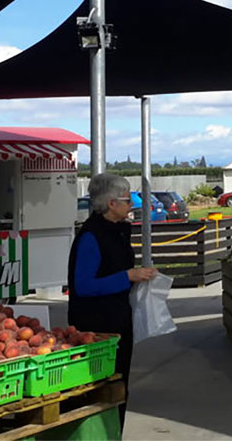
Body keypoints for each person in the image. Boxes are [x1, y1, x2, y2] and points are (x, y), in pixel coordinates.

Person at [68, 173, 158, 428]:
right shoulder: (90, 237)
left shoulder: (117, 231)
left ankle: (114, 431)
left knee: (119, 385)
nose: (132, 206)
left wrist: (138, 276)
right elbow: (83, 286)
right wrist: (128, 276)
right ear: (111, 203)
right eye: (128, 201)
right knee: (100, 389)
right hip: (95, 326)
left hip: (118, 320)